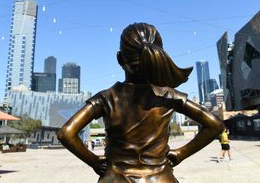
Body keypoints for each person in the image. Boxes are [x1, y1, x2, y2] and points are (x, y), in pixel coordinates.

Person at [57, 23, 225, 182]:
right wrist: (181, 153)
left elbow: (66, 133)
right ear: (158, 56)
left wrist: (94, 161)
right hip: (161, 179)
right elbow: (215, 125)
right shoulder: (169, 96)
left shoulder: (106, 98)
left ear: (120, 59)